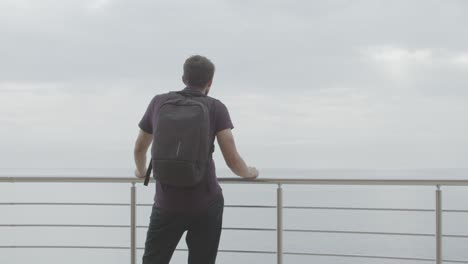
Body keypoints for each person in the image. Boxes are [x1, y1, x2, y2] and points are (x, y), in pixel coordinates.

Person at [133, 55, 259, 264]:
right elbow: (232, 159)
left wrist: (141, 171)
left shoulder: (158, 102)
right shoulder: (216, 107)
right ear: (210, 82)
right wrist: (249, 172)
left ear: (183, 78)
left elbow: (139, 148)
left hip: (166, 203)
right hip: (205, 204)